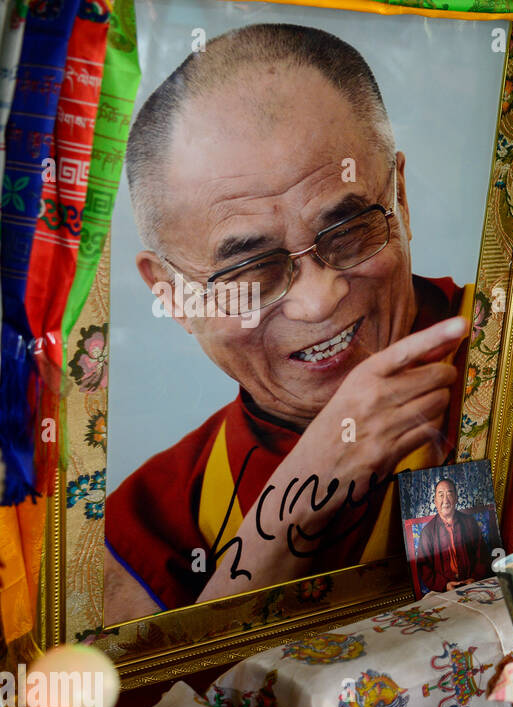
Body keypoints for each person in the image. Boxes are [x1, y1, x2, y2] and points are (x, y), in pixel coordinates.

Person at [104, 23, 471, 622]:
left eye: (348, 230)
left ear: (399, 197)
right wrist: (309, 483)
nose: (318, 301)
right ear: (171, 295)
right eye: (252, 269)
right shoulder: (154, 515)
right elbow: (153, 706)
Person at [415, 478, 490, 593]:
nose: (445, 500)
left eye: (449, 494)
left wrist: (474, 578)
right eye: (440, 495)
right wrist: (445, 585)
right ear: (435, 501)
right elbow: (424, 567)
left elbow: (483, 555)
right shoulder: (427, 532)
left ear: (456, 498)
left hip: (473, 583)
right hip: (443, 589)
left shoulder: (469, 522)